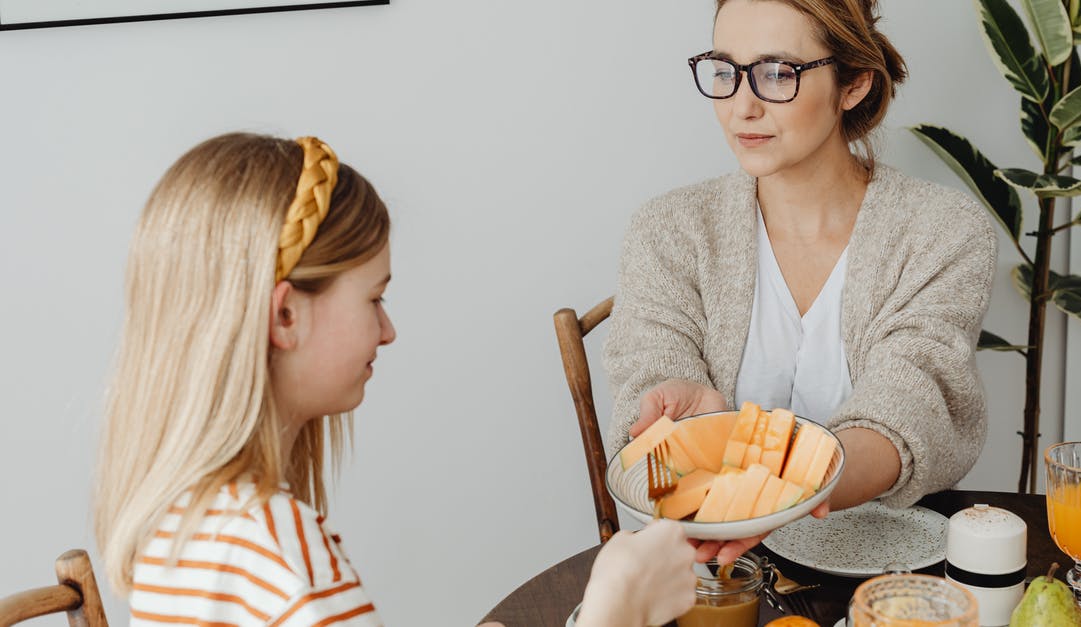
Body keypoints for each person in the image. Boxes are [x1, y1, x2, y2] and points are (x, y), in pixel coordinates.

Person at [93, 132, 696, 626]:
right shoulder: (271, 546)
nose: (388, 331)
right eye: (374, 299)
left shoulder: (191, 524)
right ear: (284, 315)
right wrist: (616, 612)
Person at [604, 0, 997, 565]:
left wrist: (793, 487)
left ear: (853, 84)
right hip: (711, 570)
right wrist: (689, 425)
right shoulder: (669, 228)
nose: (742, 107)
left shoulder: (941, 231)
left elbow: (912, 404)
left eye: (776, 73)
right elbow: (649, 393)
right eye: (724, 71)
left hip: (890, 570)